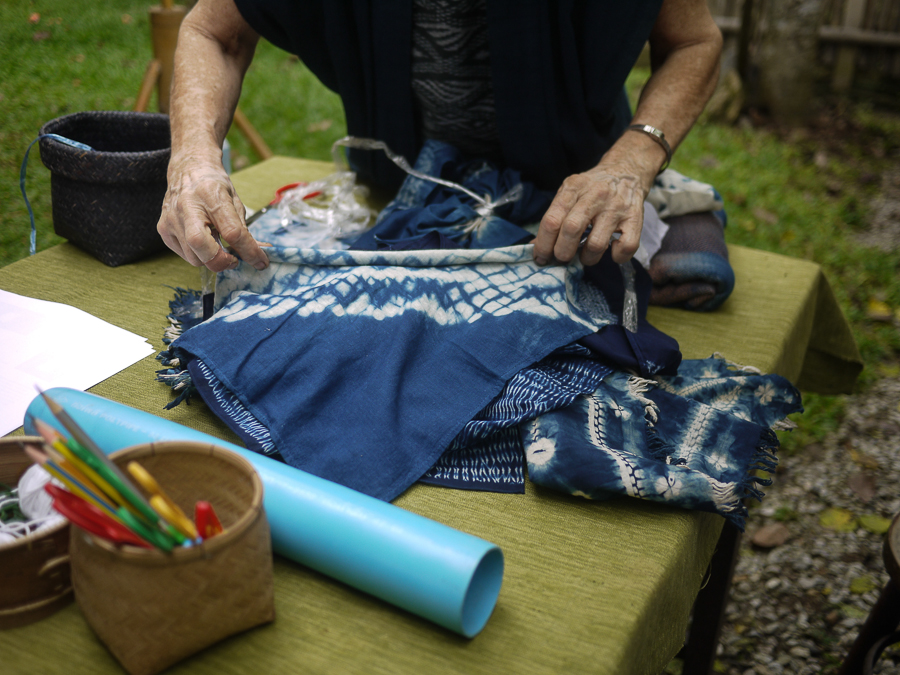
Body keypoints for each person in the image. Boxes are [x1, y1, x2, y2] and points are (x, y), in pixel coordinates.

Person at [157, 0, 722, 275]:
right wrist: (193, 161)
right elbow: (216, 31)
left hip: (573, 189)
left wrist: (631, 162)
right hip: (399, 191)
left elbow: (694, 42)